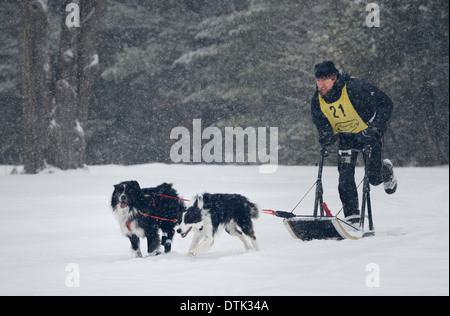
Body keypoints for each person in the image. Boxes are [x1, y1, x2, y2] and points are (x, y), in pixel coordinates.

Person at [310, 61, 398, 224]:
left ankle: (385, 170)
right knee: (345, 178)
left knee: (374, 178)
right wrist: (326, 134)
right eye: (317, 80)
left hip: (367, 135)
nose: (320, 84)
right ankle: (352, 218)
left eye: (324, 80)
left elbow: (386, 103)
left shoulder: (355, 87)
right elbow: (321, 122)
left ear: (334, 78)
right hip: (346, 138)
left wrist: (376, 128)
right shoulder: (317, 100)